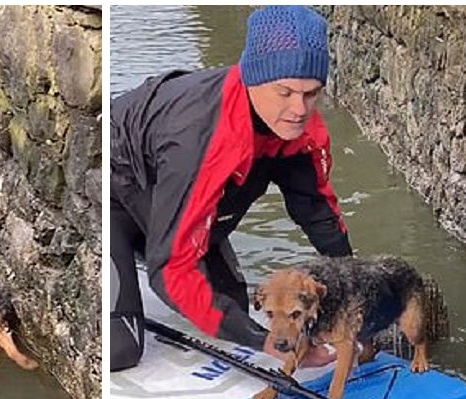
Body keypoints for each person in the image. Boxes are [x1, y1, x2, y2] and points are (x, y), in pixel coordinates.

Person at [110, 5, 352, 371]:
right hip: (117, 192)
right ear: (252, 79)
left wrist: (352, 290)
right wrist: (265, 342)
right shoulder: (199, 140)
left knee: (233, 307)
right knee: (120, 351)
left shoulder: (301, 128)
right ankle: (128, 255)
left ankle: (171, 240)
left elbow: (317, 212)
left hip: (187, 193)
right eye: (284, 92)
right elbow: (172, 271)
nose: (299, 109)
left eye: (311, 94)